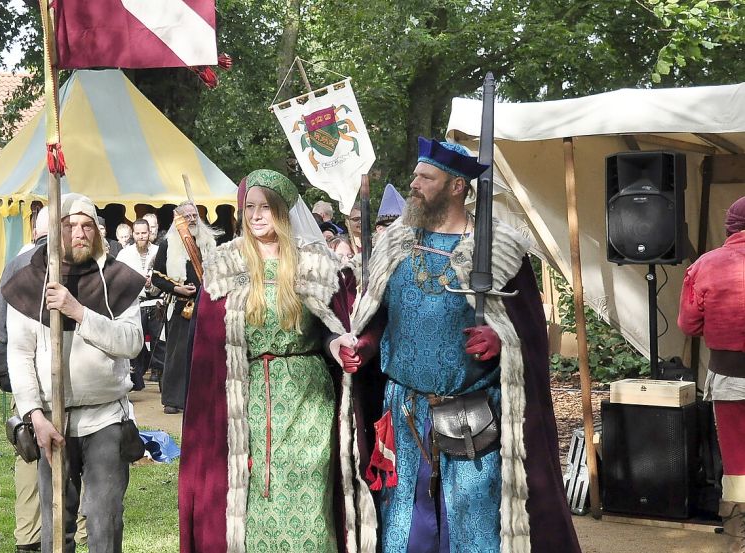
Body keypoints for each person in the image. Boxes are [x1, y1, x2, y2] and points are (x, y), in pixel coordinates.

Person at [340, 137, 581, 552]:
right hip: (404, 412)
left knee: (471, 524)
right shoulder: (396, 244)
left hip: (472, 413)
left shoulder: (498, 249)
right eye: (415, 175)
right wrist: (363, 342)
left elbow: (529, 332)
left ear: (456, 187)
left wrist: (501, 339)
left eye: (425, 177)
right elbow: (380, 317)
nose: (414, 184)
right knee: (405, 524)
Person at [179, 169, 377, 553]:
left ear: (284, 212)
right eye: (249, 207)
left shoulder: (315, 265)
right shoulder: (224, 267)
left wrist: (337, 344)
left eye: (266, 207)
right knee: (253, 504)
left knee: (310, 502)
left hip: (308, 401)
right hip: (246, 399)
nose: (256, 216)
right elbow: (207, 354)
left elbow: (334, 324)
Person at [3, 193, 145, 553]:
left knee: (104, 520)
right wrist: (34, 415)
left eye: (86, 226)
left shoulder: (118, 279)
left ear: (97, 231)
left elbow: (132, 343)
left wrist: (79, 312)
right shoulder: (28, 282)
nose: (79, 233)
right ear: (54, 232)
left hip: (106, 420)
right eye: (69, 226)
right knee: (55, 527)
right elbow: (19, 354)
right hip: (52, 422)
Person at [678, 195, 745, 550]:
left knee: (737, 460)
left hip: (730, 377)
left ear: (730, 227)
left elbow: (689, 324)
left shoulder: (706, 264)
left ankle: (739, 539)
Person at [0, 208, 48, 553]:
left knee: (29, 455)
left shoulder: (13, 264)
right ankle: (85, 533)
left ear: (32, 232)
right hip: (61, 380)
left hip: (26, 375)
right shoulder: (76, 263)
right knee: (75, 457)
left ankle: (28, 538)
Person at [150, 201, 219, 414]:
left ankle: (200, 398)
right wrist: (177, 289)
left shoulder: (209, 243)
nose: (192, 219)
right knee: (177, 355)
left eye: (194, 215)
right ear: (178, 219)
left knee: (204, 354)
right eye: (187, 216)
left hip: (207, 306)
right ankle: (173, 399)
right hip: (181, 307)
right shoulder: (168, 244)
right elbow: (156, 277)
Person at [115, 219, 161, 391]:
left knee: (159, 344)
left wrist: (152, 283)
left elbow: (165, 276)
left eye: (144, 233)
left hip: (156, 304)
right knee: (135, 345)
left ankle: (162, 383)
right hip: (134, 304)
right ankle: (135, 382)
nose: (141, 236)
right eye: (138, 233)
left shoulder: (158, 252)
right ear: (133, 234)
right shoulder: (125, 255)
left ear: (149, 233)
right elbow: (118, 280)